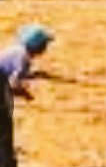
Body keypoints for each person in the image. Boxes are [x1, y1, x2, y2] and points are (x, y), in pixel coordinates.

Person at [0, 25, 54, 167]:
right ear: (38, 47)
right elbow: (13, 84)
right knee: (4, 128)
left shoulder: (18, 51)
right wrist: (26, 94)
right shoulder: (23, 59)